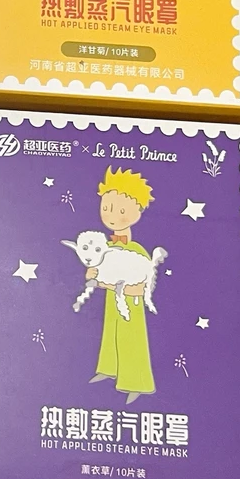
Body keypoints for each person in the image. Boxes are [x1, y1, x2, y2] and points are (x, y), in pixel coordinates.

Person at [88, 166, 157, 403]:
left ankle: (136, 383)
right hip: (113, 301)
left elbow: (142, 286)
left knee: (131, 339)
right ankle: (108, 368)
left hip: (131, 304)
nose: (112, 216)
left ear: (138, 211)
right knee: (111, 332)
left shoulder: (137, 251)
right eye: (106, 208)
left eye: (121, 210)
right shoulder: (106, 248)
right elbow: (98, 276)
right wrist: (94, 275)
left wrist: (115, 286)